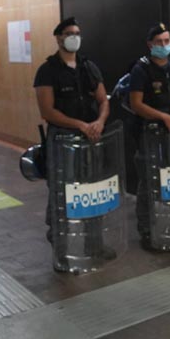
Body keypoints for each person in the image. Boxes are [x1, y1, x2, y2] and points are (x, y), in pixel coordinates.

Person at [34, 17, 110, 242]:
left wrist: (100, 122)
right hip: (63, 139)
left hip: (92, 138)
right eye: (69, 33)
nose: (74, 37)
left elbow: (103, 100)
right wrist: (81, 125)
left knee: (92, 189)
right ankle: (61, 244)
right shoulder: (47, 70)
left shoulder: (88, 67)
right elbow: (47, 111)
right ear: (59, 38)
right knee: (62, 190)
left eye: (77, 33)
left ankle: (94, 243)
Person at [128, 23, 170, 250]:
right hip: (151, 134)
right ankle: (147, 231)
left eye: (167, 41)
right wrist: (163, 118)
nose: (164, 45)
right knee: (149, 182)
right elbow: (136, 104)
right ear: (150, 44)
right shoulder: (141, 69)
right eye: (159, 42)